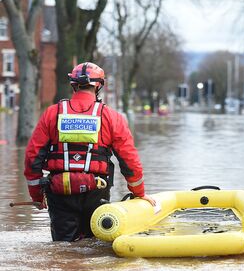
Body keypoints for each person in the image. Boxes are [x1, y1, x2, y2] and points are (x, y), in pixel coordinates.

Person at [24, 62, 155, 241]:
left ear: (74, 84)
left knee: (63, 248)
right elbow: (129, 160)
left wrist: (38, 196)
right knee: (94, 246)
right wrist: (139, 193)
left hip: (59, 191)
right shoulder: (112, 117)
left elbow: (32, 158)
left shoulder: (52, 114)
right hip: (96, 191)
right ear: (99, 86)